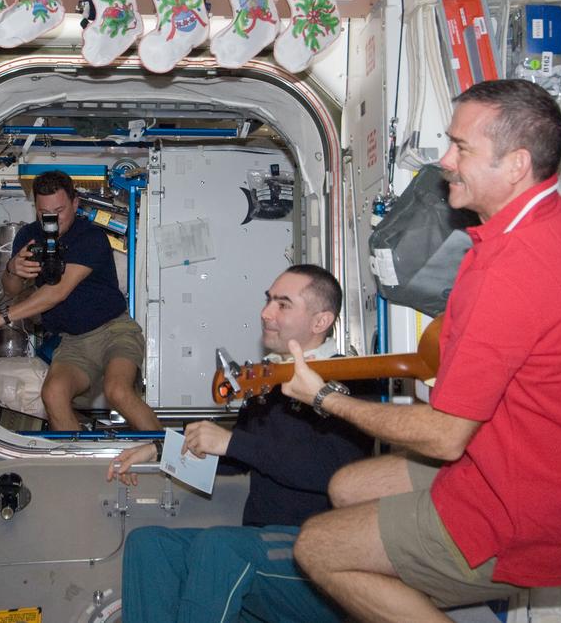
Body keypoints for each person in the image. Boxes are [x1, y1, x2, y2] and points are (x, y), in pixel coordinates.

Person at [284, 79, 561, 623]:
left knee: (317, 546)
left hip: (527, 508)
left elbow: (446, 438)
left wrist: (326, 396)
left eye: (462, 148)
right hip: (556, 465)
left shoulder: (509, 272)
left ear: (516, 164)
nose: (446, 160)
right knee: (347, 485)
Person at [110, 265, 371, 623]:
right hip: (263, 544)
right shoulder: (270, 380)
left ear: (320, 321)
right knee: (149, 545)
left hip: (322, 553)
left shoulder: (351, 383)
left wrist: (233, 442)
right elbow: (238, 456)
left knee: (221, 548)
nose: (266, 313)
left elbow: (330, 471)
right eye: (268, 300)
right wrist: (161, 449)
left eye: (283, 304)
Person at [0, 170, 160, 431]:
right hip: (73, 342)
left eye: (59, 210)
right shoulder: (29, 237)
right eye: (43, 211)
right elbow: (12, 289)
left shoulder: (90, 238)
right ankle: (80, 466)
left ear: (75, 203)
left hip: (114, 331)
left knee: (118, 391)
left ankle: (165, 460)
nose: (52, 219)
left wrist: (3, 317)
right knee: (53, 394)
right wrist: (13, 268)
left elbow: (57, 291)